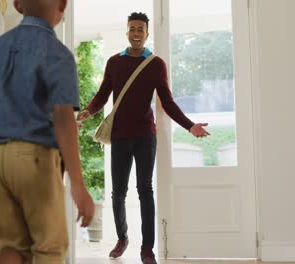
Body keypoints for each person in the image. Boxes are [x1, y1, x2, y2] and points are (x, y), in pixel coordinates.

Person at [0, 0, 95, 263]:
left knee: (12, 249)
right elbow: (63, 116)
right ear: (63, 6)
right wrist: (78, 184)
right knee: (49, 249)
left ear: (18, 5)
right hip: (33, 157)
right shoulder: (57, 52)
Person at [77, 12, 209, 264]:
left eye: (141, 30)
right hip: (119, 136)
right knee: (118, 192)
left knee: (145, 190)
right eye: (132, 29)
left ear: (147, 34)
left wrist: (190, 126)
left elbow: (167, 102)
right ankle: (122, 238)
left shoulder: (156, 64)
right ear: (127, 32)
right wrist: (87, 111)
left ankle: (147, 248)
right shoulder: (114, 62)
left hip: (145, 136)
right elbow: (103, 94)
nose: (136, 33)